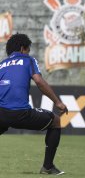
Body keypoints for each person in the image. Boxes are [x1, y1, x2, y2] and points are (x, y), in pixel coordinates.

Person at [0, 34, 68, 175]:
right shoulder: (28, 60)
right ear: (22, 48)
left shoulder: (1, 64)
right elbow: (38, 81)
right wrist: (58, 102)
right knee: (55, 121)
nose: (29, 52)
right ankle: (47, 167)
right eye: (28, 49)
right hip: (20, 113)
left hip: (1, 113)